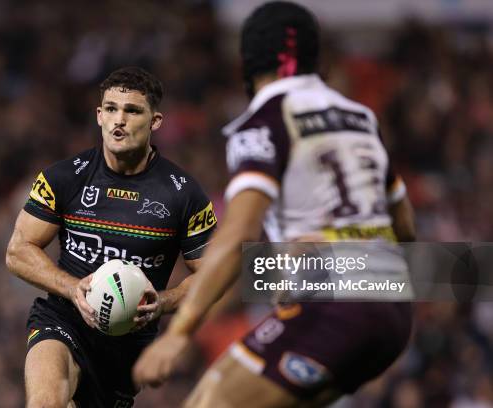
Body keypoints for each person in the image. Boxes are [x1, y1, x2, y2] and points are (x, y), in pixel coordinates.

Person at [133, 2, 416, 407]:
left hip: (335, 308)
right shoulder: (361, 119)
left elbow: (238, 233)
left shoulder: (266, 119)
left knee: (207, 402)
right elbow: (404, 228)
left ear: (247, 64)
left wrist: (179, 333)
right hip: (394, 313)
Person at [6, 66, 217, 408]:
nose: (120, 119)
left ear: (155, 121)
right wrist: (71, 288)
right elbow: (17, 251)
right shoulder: (64, 178)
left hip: (126, 348)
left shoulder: (184, 194)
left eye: (132, 110)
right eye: (111, 109)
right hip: (63, 319)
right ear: (99, 116)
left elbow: (212, 274)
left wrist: (164, 302)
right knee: (46, 403)